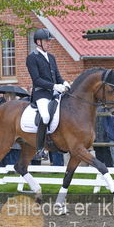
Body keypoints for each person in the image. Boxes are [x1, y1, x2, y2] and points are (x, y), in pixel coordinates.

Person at [26, 28, 70, 159]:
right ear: (38, 42)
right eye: (46, 41)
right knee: (45, 116)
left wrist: (64, 82)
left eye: (49, 41)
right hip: (41, 94)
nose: (49, 43)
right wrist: (54, 86)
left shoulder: (51, 57)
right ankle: (40, 149)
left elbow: (57, 76)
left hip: (54, 94)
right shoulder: (32, 58)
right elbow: (37, 80)